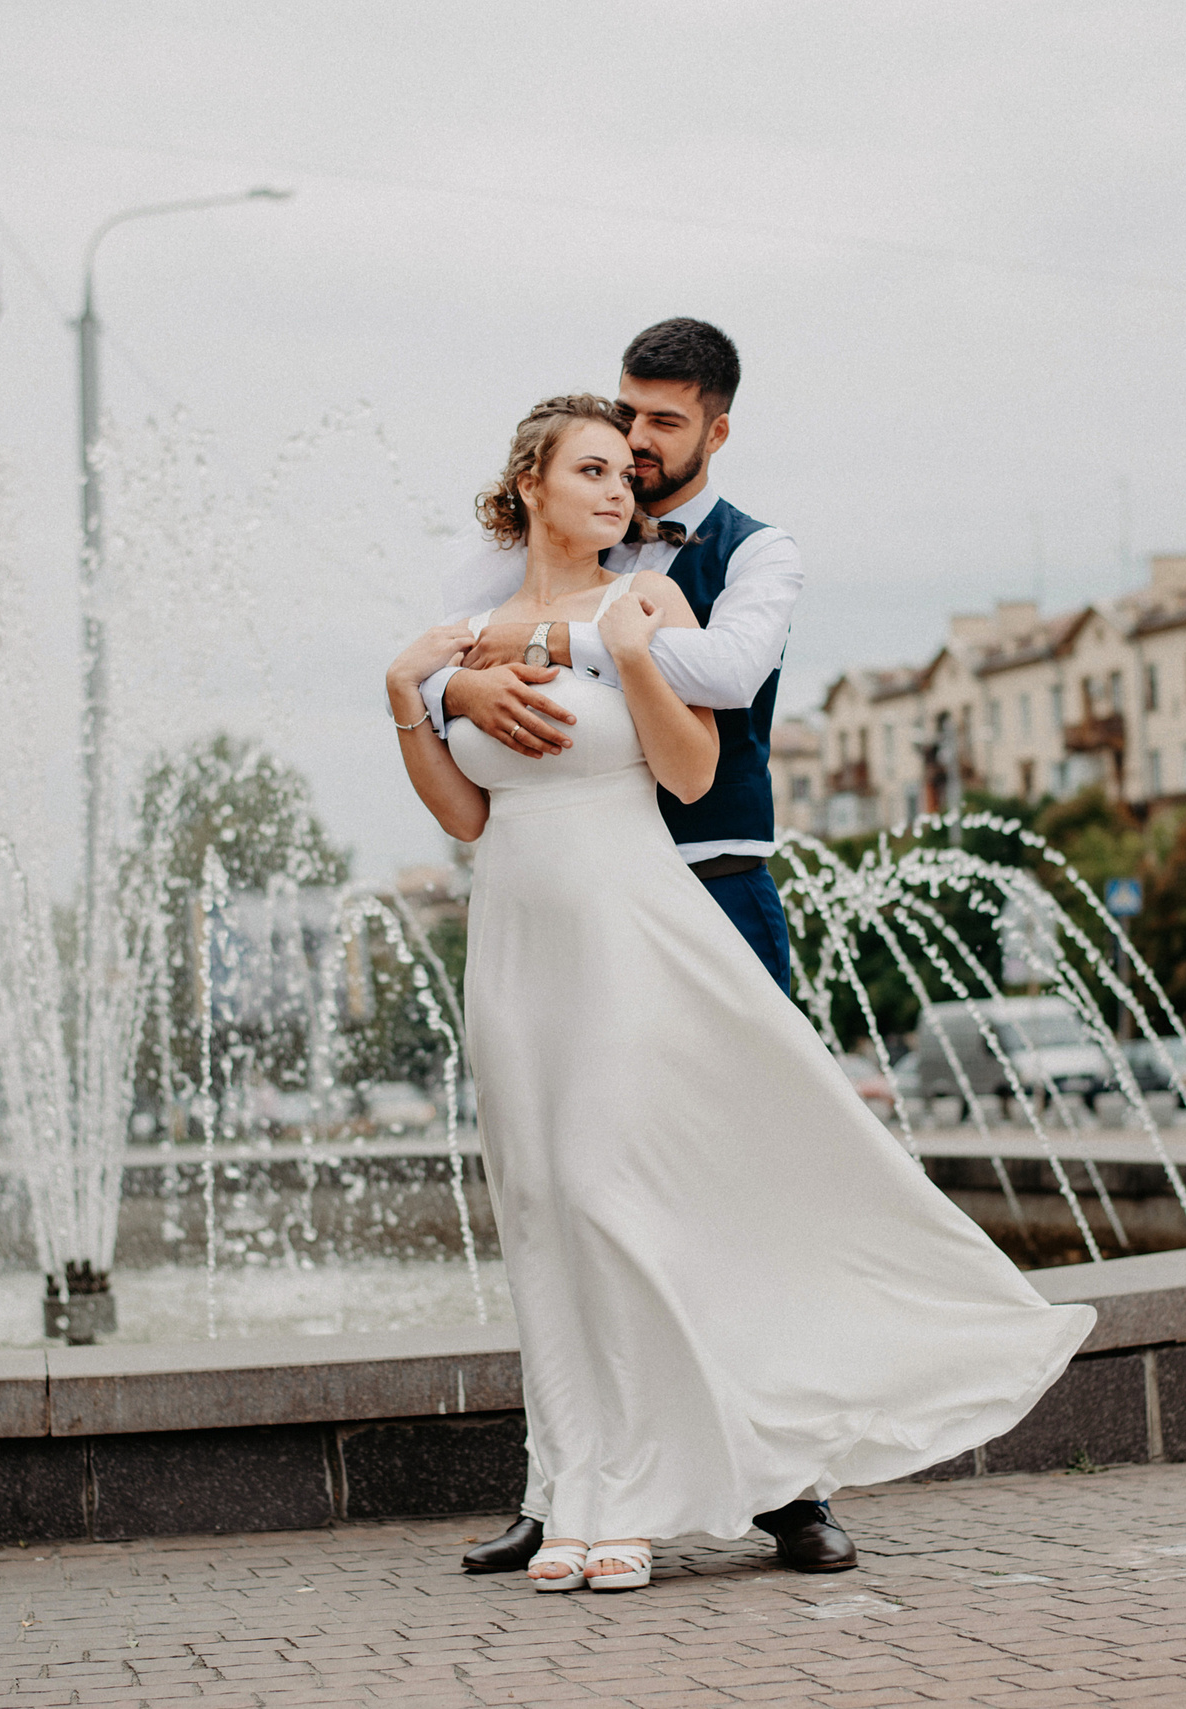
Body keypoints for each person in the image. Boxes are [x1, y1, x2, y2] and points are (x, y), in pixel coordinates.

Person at [384, 393, 1096, 1593]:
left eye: (628, 469)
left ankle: (640, 1495)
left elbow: (691, 765)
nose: (620, 489)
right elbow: (463, 814)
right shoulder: (469, 627)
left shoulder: (647, 599)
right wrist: (416, 694)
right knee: (542, 1206)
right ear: (530, 487)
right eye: (594, 470)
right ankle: (564, 1485)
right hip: (514, 937)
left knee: (613, 1189)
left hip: (626, 920)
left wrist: (603, 648)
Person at [420, 319, 842, 1574]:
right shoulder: (519, 557)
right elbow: (433, 650)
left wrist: (538, 642)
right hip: (564, 898)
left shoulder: (752, 552)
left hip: (712, 884)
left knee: (738, 1178)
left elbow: (721, 666)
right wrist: (449, 689)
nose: (637, 445)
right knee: (569, 1189)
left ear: (715, 427)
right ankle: (575, 1486)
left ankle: (788, 1485)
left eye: (661, 424)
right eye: (622, 418)